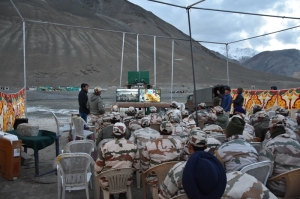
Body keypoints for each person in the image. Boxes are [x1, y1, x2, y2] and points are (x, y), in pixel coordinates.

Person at [159, 129, 214, 198]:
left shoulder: (178, 169)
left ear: (189, 146)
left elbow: (164, 195)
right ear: (206, 146)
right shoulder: (215, 168)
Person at [94, 122, 140, 199]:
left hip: (107, 181)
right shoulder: (133, 146)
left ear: (113, 133)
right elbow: (137, 167)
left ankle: (110, 196)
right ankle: (122, 194)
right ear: (125, 133)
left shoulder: (105, 146)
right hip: (126, 181)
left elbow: (98, 168)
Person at [259, 114, 300, 197]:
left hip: (278, 188)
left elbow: (265, 172)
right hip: (297, 188)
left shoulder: (270, 145)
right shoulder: (297, 143)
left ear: (271, 129)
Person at [141, 121, 183, 186]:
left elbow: (144, 166)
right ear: (171, 132)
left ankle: (156, 193)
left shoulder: (149, 145)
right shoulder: (179, 144)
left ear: (159, 130)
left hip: (155, 179)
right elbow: (181, 161)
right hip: (174, 178)